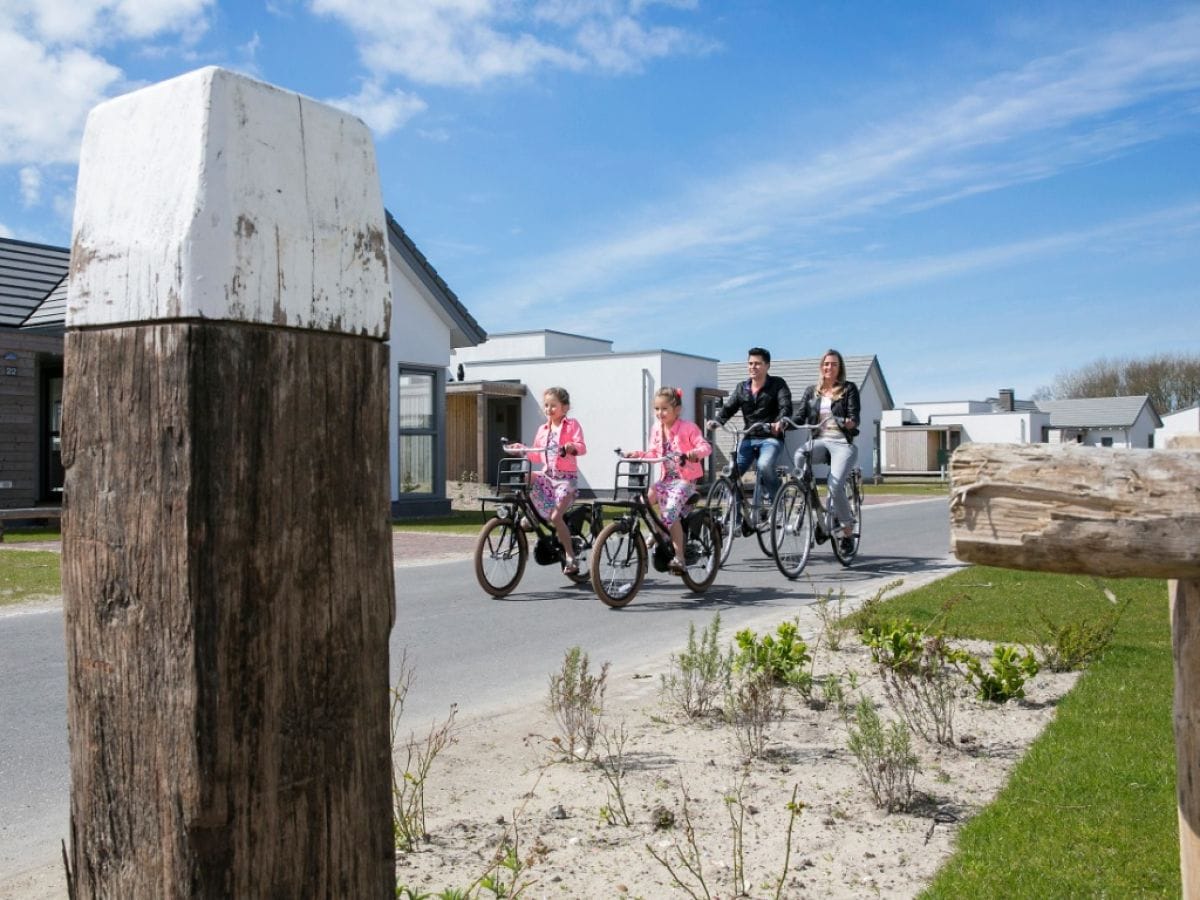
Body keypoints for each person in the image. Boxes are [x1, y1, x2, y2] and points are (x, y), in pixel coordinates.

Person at [624, 387, 712, 575]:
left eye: (664, 409)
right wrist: (638, 454)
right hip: (665, 480)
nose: (659, 413)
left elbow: (705, 447)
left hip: (685, 481)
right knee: (642, 502)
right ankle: (658, 532)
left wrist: (694, 453)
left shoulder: (688, 428)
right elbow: (654, 453)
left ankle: (679, 557)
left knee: (671, 513)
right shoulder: (656, 429)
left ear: (677, 410)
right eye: (656, 409)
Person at [705, 346, 792, 514]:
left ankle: (777, 497)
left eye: (757, 364)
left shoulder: (777, 384)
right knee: (731, 474)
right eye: (750, 363)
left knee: (765, 465)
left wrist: (780, 422)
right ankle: (736, 519)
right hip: (749, 437)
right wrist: (717, 421)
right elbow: (728, 408)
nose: (753, 367)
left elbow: (785, 406)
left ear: (767, 366)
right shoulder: (742, 388)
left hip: (771, 438)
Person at [794, 348, 860, 551]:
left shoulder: (849, 389)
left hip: (842, 443)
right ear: (821, 367)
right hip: (820, 441)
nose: (829, 367)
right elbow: (801, 415)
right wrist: (783, 423)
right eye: (826, 364)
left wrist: (849, 422)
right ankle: (814, 506)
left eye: (833, 364)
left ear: (840, 368)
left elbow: (854, 416)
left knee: (835, 484)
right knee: (799, 455)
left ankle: (847, 531)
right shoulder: (812, 391)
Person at [527, 386, 588, 575]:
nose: (548, 409)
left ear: (565, 408)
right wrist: (521, 448)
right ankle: (529, 513)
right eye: (546, 405)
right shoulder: (542, 429)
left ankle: (570, 557)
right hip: (547, 477)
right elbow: (536, 456)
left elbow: (582, 447)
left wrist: (571, 446)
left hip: (565, 481)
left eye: (553, 405)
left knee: (556, 517)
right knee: (525, 477)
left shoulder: (572, 425)